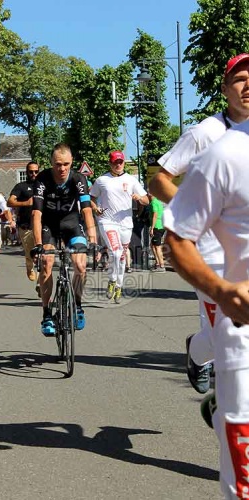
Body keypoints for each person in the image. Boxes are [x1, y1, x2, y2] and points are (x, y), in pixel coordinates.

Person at [149, 53, 249, 394]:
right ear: (225, 88)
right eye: (239, 79)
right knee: (224, 333)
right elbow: (158, 180)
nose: (247, 84)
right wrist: (193, 211)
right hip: (209, 253)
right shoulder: (207, 133)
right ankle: (197, 353)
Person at [163, 118, 249, 500]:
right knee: (221, 340)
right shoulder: (213, 142)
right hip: (216, 268)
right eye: (240, 79)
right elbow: (159, 181)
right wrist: (200, 207)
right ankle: (218, 390)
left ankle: (219, 402)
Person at [31, 143, 97, 336]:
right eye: (58, 164)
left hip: (71, 224)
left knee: (81, 265)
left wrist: (92, 239)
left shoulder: (79, 179)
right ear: (51, 163)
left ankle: (77, 306)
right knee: (47, 262)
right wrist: (37, 245)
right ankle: (46, 314)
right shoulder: (42, 179)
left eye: (66, 164)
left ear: (71, 163)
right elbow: (36, 213)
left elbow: (86, 209)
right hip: (48, 225)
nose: (62, 168)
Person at [90, 151, 149, 304]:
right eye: (115, 162)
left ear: (123, 162)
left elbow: (146, 200)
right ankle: (112, 279)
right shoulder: (101, 180)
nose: (118, 164)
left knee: (121, 256)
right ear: (110, 163)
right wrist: (95, 208)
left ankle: (118, 285)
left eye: (121, 162)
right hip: (107, 221)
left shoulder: (131, 180)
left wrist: (139, 198)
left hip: (126, 223)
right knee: (116, 252)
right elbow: (91, 198)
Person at [7, 161, 39, 283]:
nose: (34, 174)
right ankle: (29, 267)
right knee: (31, 253)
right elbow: (10, 202)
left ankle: (41, 283)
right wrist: (26, 203)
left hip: (42, 225)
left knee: (42, 255)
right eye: (31, 171)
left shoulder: (43, 186)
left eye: (36, 171)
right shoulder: (21, 187)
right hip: (26, 226)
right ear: (26, 172)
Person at [148, 193, 166, 272]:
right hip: (161, 226)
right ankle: (158, 263)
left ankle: (162, 266)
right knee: (152, 245)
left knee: (157, 246)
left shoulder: (154, 202)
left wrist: (152, 228)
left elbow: (155, 214)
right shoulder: (158, 202)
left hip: (157, 226)